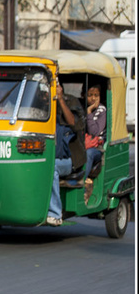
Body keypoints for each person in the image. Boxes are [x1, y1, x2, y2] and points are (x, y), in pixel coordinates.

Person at [47, 80, 85, 226]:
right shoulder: (39, 101)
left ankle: (55, 213)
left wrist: (60, 99)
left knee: (52, 168)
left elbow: (75, 124)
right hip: (47, 155)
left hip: (69, 158)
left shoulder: (71, 101)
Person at [82, 84, 106, 200]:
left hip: (97, 149)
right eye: (90, 95)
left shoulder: (101, 110)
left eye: (96, 95)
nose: (93, 98)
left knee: (89, 154)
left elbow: (94, 132)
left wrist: (89, 111)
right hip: (84, 144)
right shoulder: (81, 108)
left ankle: (82, 184)